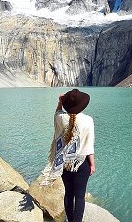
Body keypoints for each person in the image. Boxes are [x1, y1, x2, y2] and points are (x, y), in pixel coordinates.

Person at [45, 88, 95, 222]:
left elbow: (57, 112)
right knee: (79, 197)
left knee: (68, 194)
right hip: (81, 163)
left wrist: (60, 102)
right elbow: (89, 145)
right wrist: (92, 164)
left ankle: (70, 219)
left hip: (65, 163)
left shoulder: (60, 118)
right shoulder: (88, 120)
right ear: (82, 104)